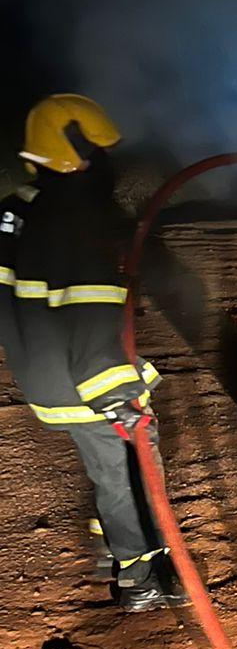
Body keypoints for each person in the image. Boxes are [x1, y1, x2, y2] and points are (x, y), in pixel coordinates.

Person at [0, 94, 177, 611]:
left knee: (109, 470)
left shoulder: (16, 212)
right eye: (99, 153)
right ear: (76, 155)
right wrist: (119, 394)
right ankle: (138, 576)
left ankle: (113, 546)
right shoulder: (82, 218)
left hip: (44, 372)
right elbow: (92, 313)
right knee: (129, 468)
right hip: (87, 380)